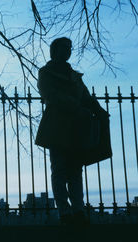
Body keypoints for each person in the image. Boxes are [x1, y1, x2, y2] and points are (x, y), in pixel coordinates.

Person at [35, 37, 110, 225]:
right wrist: (75, 105)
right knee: (59, 169)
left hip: (77, 128)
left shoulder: (75, 76)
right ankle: (64, 212)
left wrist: (99, 110)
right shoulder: (46, 72)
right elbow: (49, 95)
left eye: (69, 47)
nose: (68, 50)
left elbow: (86, 97)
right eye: (64, 47)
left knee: (75, 170)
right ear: (55, 50)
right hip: (57, 127)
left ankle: (78, 210)